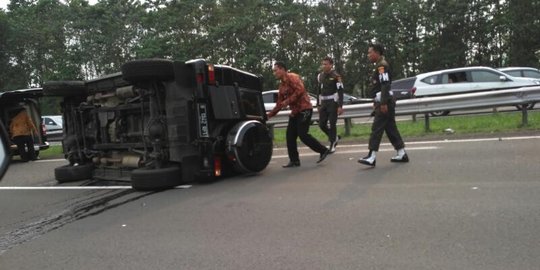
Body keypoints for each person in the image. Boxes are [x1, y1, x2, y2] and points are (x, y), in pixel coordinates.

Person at [267, 61, 330, 168]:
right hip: (295, 112)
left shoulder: (293, 77)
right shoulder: (281, 86)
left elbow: (301, 90)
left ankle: (323, 150)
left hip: (305, 109)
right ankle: (294, 161)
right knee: (289, 136)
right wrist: (269, 115)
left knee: (302, 134)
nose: (274, 73)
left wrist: (287, 101)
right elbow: (279, 104)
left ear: (282, 69)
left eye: (275, 70)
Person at [358, 43, 408, 166]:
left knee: (376, 129)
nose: (368, 55)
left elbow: (385, 84)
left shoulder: (382, 66)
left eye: (370, 52)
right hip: (384, 101)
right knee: (391, 129)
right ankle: (401, 153)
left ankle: (371, 156)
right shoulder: (380, 65)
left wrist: (383, 103)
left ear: (377, 52)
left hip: (385, 102)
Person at [317, 56, 344, 153]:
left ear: (331, 65)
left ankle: (332, 143)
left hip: (333, 102)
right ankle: (335, 137)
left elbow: (340, 91)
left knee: (332, 124)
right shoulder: (320, 76)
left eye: (326, 64)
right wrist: (318, 104)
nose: (323, 66)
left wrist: (340, 106)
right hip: (323, 103)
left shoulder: (336, 76)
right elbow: (318, 91)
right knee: (321, 124)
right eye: (323, 64)